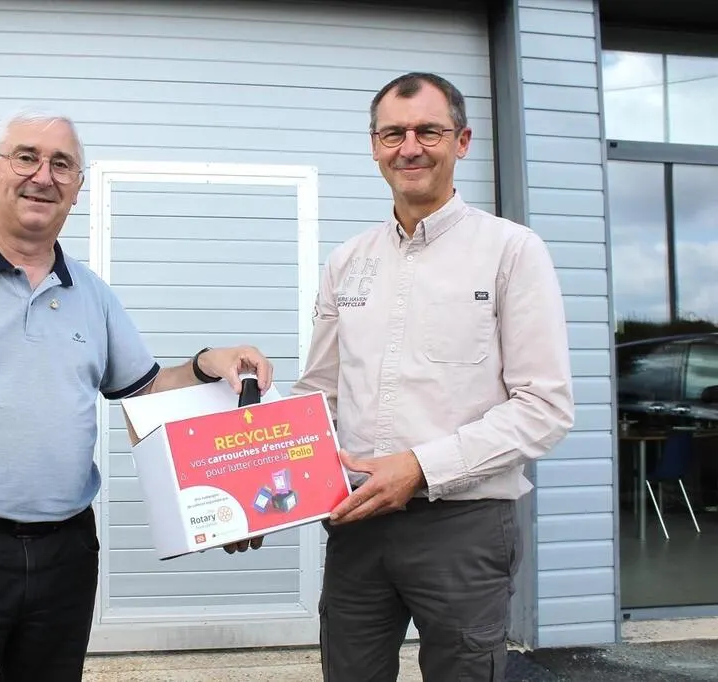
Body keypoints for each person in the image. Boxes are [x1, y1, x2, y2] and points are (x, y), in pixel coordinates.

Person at [0, 106, 273, 681]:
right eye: (26, 157)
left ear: (77, 186)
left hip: (66, 556)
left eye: (62, 164)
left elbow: (145, 392)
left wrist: (205, 364)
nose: (43, 176)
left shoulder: (91, 293)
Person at [234, 72, 575, 679]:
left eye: (428, 132)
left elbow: (543, 408)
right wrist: (256, 494)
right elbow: (321, 396)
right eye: (393, 133)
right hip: (357, 522)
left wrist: (419, 468)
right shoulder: (348, 261)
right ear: (374, 146)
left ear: (462, 141)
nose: (409, 147)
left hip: (464, 525)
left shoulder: (511, 251)